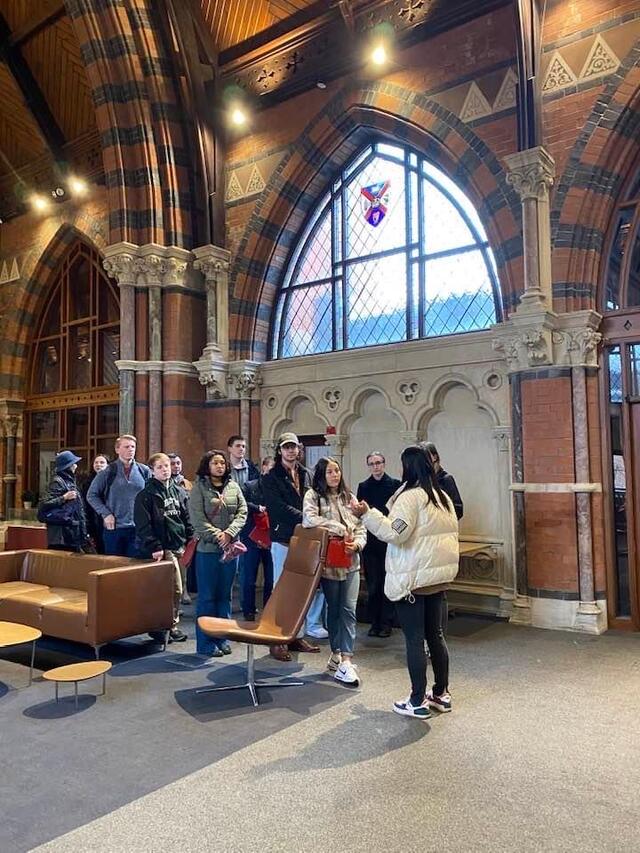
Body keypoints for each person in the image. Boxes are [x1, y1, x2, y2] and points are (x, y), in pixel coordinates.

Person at [351, 446, 459, 720]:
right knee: (436, 636)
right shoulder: (442, 497)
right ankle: (441, 694)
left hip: (414, 579)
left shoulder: (411, 498)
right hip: (437, 579)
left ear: (408, 467)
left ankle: (417, 700)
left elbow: (394, 532)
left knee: (414, 640)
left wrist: (366, 513)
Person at [303, 457, 366, 685]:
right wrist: (338, 528)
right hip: (330, 562)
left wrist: (357, 544)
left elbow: (360, 525)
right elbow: (309, 519)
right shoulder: (313, 496)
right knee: (335, 608)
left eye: (337, 470)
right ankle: (337, 652)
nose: (334, 475)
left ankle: (346, 659)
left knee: (349, 609)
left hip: (351, 560)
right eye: (329, 471)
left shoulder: (349, 497)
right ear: (322, 474)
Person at [261, 432, 322, 661]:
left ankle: (295, 635)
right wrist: (308, 519)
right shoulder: (271, 477)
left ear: (299, 449)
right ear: (279, 450)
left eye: (294, 447)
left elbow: (316, 501)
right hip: (284, 539)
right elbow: (278, 509)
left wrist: (313, 519)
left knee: (302, 592)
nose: (290, 451)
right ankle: (277, 641)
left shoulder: (307, 474)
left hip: (305, 541)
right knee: (282, 592)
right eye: (286, 447)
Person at [189, 450, 248, 662]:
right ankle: (205, 643)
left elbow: (243, 511)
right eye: (215, 463)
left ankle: (223, 638)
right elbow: (197, 519)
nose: (220, 466)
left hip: (231, 551)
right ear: (207, 466)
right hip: (208, 551)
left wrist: (230, 533)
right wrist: (219, 536)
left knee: (225, 596)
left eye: (222, 463)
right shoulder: (199, 489)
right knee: (207, 597)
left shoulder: (233, 486)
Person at [134, 452, 194, 644]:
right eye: (160, 467)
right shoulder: (146, 495)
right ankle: (170, 625)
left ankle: (165, 624)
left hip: (180, 544)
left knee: (180, 587)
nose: (165, 469)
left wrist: (191, 537)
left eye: (167, 466)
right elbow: (143, 524)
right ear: (152, 471)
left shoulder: (179, 491)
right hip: (162, 547)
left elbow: (186, 516)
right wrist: (155, 545)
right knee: (174, 588)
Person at [357, 451, 401, 638]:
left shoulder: (395, 485)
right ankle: (374, 622)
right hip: (371, 543)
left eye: (378, 463)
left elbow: (397, 513)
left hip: (389, 542)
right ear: (368, 466)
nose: (375, 466)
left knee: (387, 584)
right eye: (372, 463)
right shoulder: (363, 486)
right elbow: (360, 513)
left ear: (384, 464)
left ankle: (387, 622)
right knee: (373, 584)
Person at [87, 434, 151, 557]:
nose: (130, 449)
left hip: (138, 528)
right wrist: (105, 514)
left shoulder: (144, 471)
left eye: (133, 447)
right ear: (117, 449)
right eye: (126, 447)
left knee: (134, 568)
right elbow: (91, 495)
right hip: (114, 528)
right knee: (115, 569)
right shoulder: (108, 472)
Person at [240, 456, 275, 621]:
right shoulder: (250, 485)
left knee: (271, 578)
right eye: (270, 469)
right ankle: (248, 610)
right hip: (252, 537)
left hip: (271, 537)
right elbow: (241, 503)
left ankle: (269, 609)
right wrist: (257, 507)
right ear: (263, 468)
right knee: (249, 577)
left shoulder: (279, 488)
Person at [40, 450, 90, 553]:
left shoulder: (70, 481)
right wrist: (64, 497)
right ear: (69, 466)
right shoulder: (58, 482)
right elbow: (44, 504)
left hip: (70, 534)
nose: (76, 466)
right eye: (74, 463)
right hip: (61, 536)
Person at [167, 451, 193, 603]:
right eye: (172, 464)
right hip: (170, 528)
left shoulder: (187, 484)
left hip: (184, 527)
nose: (176, 466)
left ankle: (185, 591)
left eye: (178, 463)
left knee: (184, 562)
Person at [420, 442, 464, 520]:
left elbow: (458, 509)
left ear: (434, 457)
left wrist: (439, 517)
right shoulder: (421, 480)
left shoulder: (446, 479)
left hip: (442, 526)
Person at [82, 453, 109, 554]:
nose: (99, 465)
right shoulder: (87, 483)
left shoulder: (112, 481)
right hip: (93, 520)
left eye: (102, 462)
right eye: (96, 462)